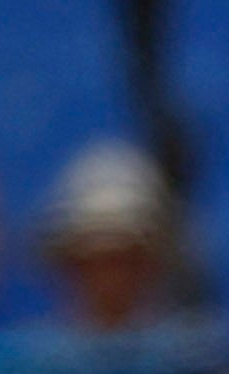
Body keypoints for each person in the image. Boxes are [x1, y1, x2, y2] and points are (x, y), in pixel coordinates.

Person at [35, 137, 195, 333]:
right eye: (92, 263)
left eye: (126, 261)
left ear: (154, 265)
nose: (111, 279)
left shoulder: (201, 357)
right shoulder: (29, 359)